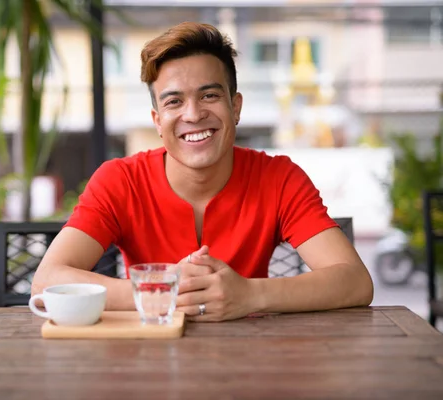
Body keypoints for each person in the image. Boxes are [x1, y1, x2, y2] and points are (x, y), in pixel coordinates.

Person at [31, 21, 373, 322]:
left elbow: (355, 281)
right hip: (144, 362)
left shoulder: (279, 178)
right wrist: (163, 290)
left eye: (209, 95)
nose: (193, 114)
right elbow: (48, 280)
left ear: (235, 107)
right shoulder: (119, 180)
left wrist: (250, 295)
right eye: (174, 101)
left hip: (255, 360)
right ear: (157, 122)